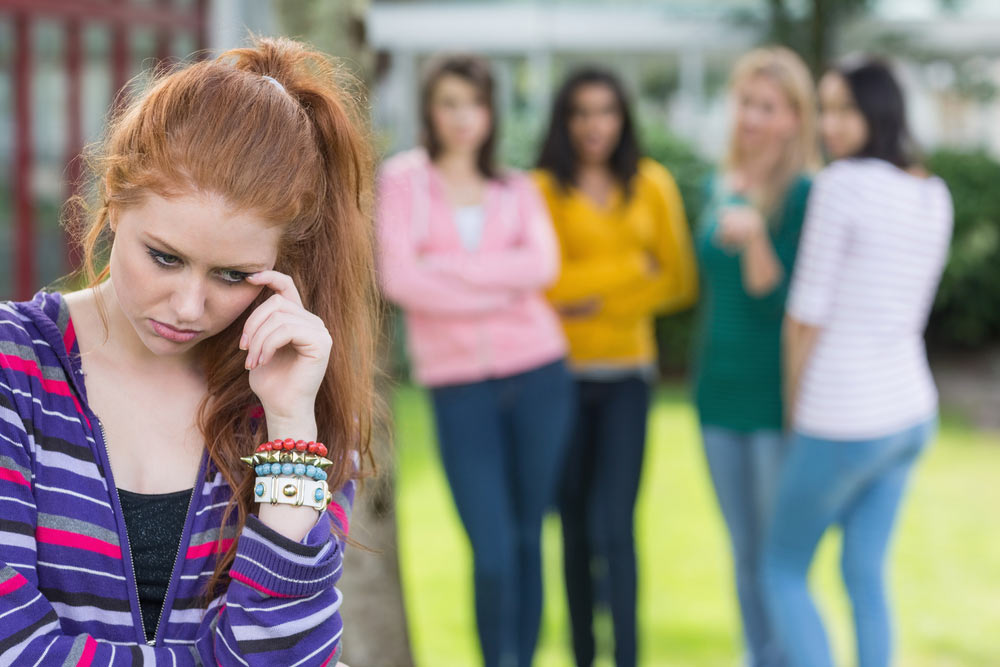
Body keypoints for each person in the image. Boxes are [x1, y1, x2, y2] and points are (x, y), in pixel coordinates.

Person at [0, 37, 372, 665]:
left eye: (233, 275)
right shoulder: (15, 365)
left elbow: (293, 652)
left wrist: (288, 429)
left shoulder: (295, 404)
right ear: (113, 198)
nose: (189, 307)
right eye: (165, 258)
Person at [376, 55, 573, 667]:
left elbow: (542, 268)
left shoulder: (518, 188)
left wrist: (450, 270)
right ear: (430, 110)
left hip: (540, 371)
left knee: (526, 540)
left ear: (492, 112)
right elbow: (400, 278)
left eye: (476, 103)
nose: (464, 118)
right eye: (450, 103)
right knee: (490, 548)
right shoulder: (403, 181)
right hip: (459, 386)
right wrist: (499, 281)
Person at [762, 59, 953, 667]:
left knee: (782, 567)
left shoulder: (839, 185)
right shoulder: (932, 192)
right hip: (910, 412)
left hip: (845, 413)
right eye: (827, 110)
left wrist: (794, 411)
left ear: (879, 110)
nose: (832, 125)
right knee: (864, 571)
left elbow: (805, 314)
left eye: (845, 109)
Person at [534, 68, 698, 667]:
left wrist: (592, 298)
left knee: (616, 525)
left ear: (623, 117)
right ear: (565, 120)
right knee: (573, 525)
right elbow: (544, 284)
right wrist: (631, 270)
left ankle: (627, 655)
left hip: (628, 377)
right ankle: (583, 655)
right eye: (580, 112)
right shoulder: (542, 189)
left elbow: (677, 280)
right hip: (561, 379)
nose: (593, 124)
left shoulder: (652, 184)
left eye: (605, 111)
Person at [692, 47, 818, 667]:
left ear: (795, 117)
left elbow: (790, 305)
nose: (752, 118)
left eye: (768, 107)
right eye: (746, 103)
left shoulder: (805, 195)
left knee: (777, 554)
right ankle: (757, 655)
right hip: (717, 393)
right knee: (743, 548)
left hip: (774, 398)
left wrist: (758, 237)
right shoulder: (720, 183)